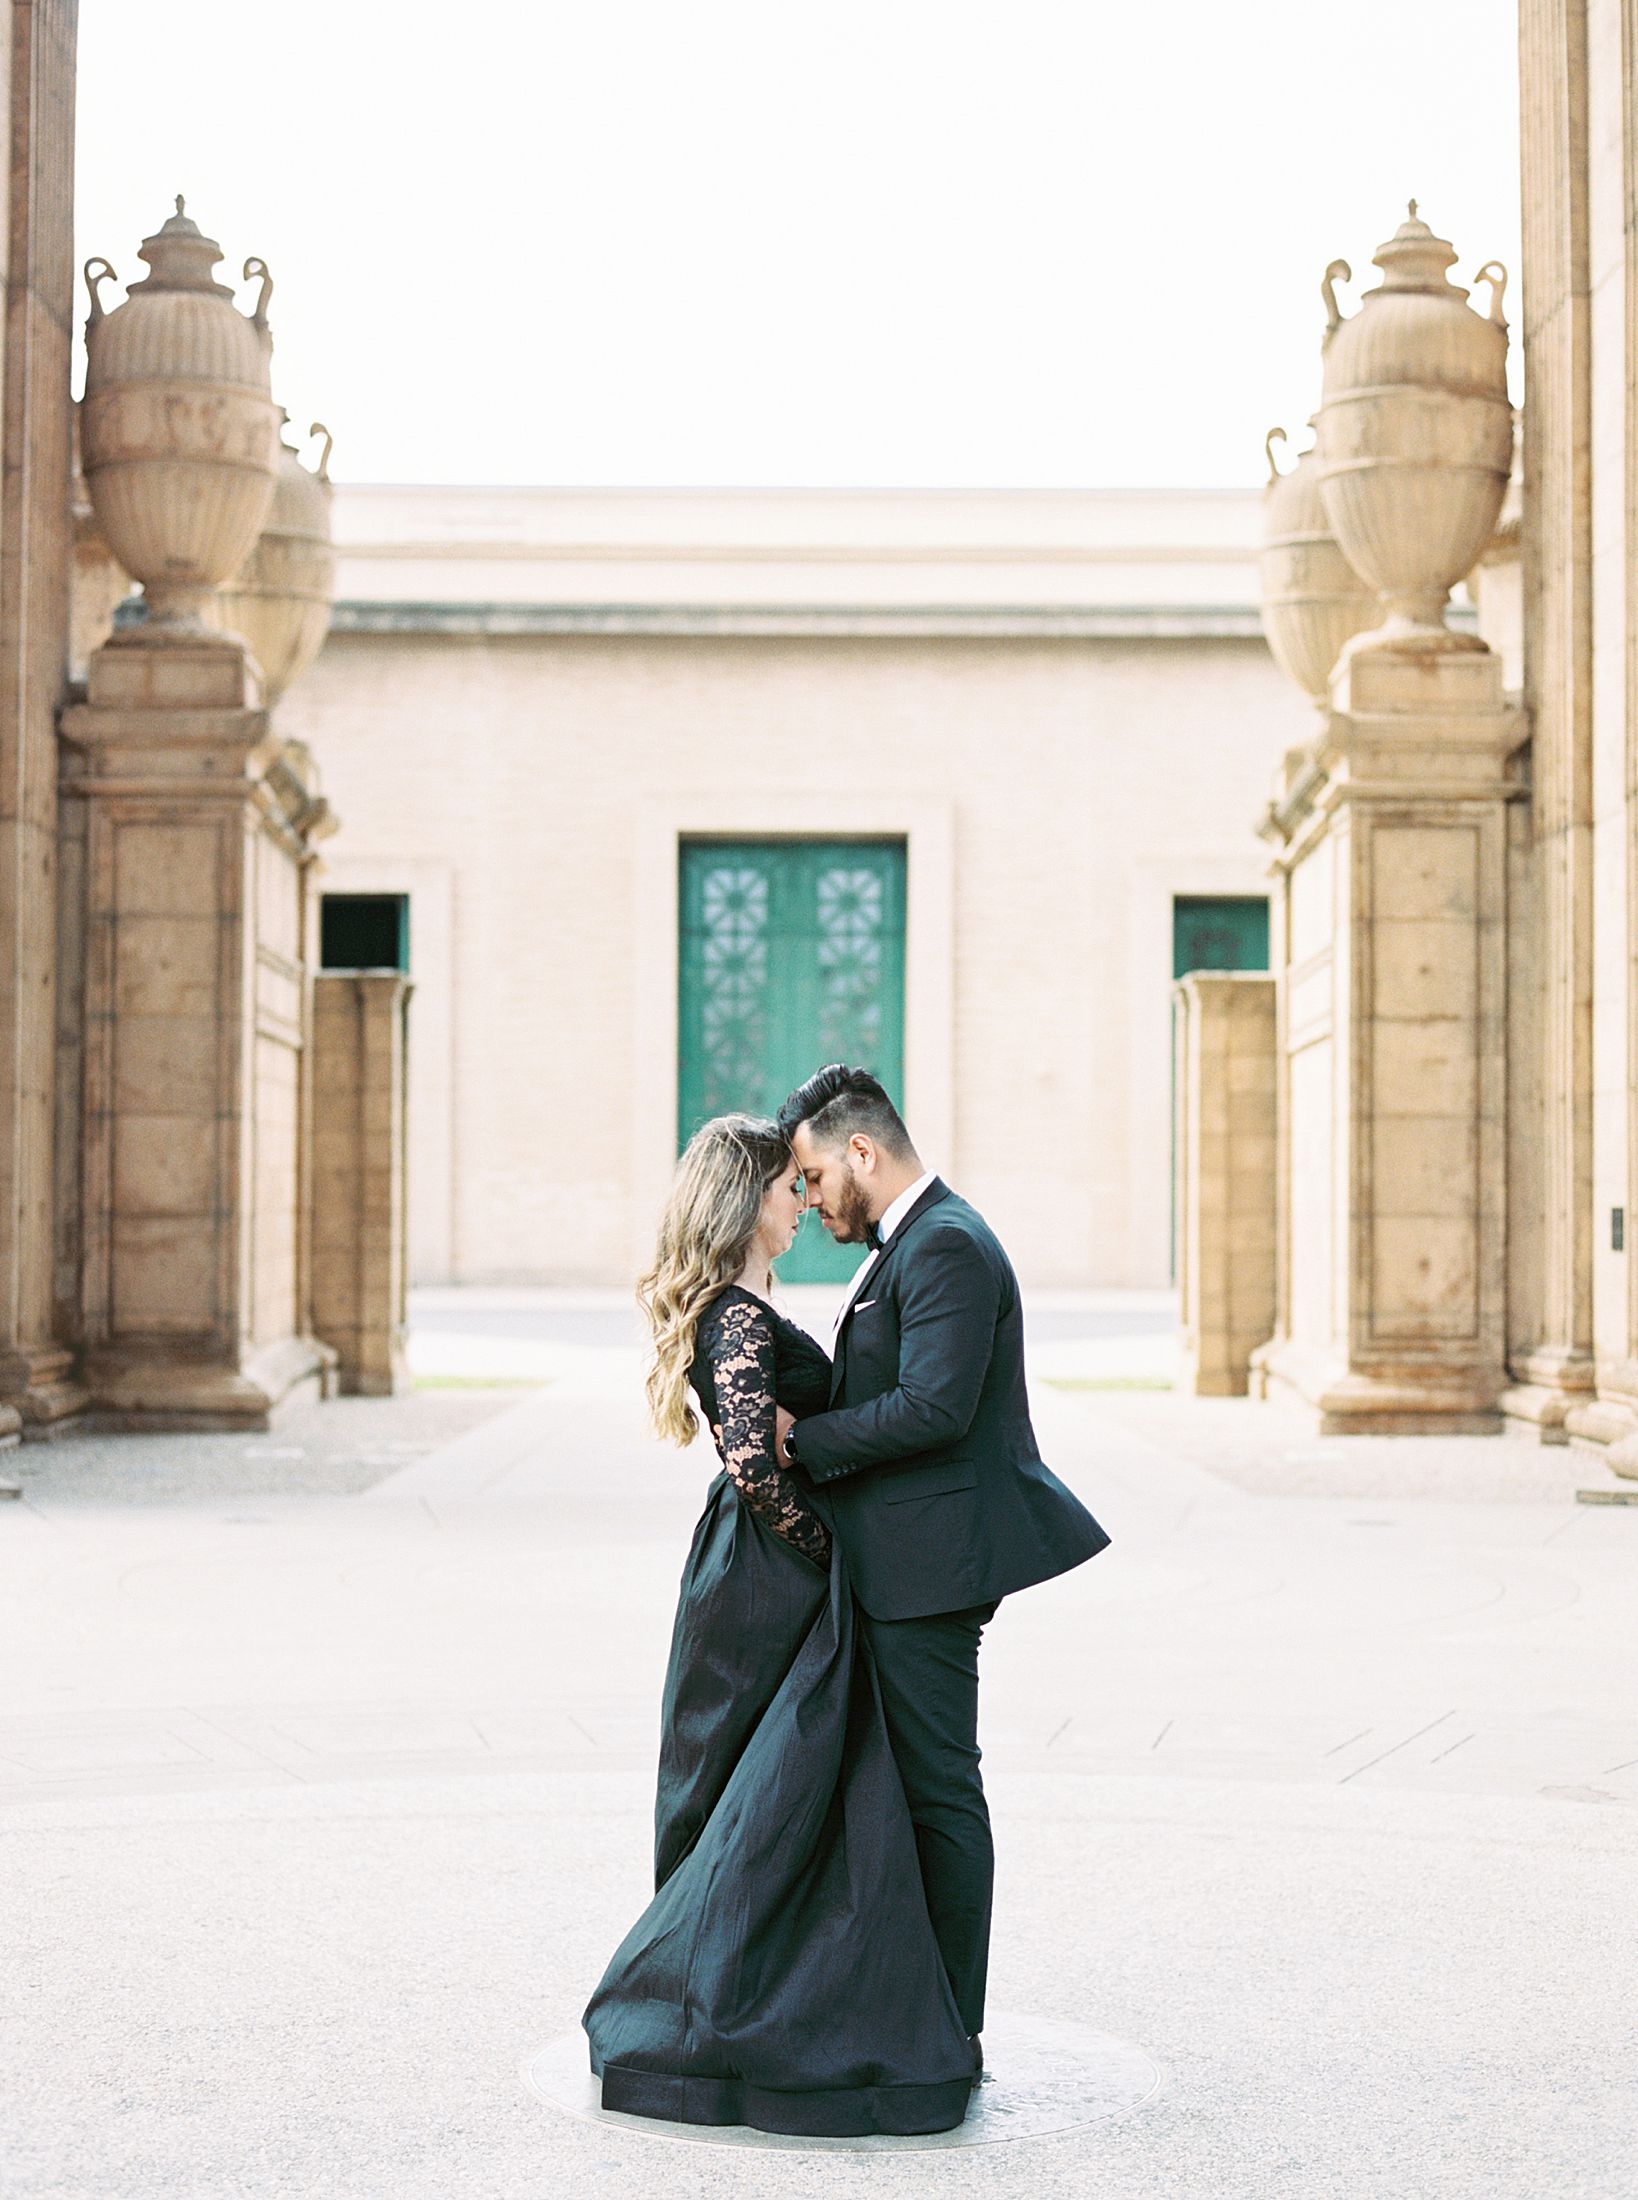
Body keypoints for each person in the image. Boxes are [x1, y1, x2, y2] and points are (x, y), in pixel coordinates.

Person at [582, 1113, 979, 2138]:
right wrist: (826, 1552)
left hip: (757, 1566)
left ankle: (771, 1988)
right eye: (786, 1187)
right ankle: (720, 2000)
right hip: (768, 1574)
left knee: (770, 1788)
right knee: (761, 1790)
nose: (803, 1201)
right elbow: (756, 1465)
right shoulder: (740, 1318)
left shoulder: (747, 1305)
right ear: (745, 1199)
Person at [774, 1064, 1111, 2059]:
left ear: (862, 1152)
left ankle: (954, 2027)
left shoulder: (949, 1242)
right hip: (903, 1561)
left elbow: (934, 1406)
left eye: (813, 1177)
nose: (811, 1200)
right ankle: (913, 2006)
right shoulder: (915, 1242)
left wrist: (801, 1442)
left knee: (938, 1791)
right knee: (913, 1789)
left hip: (930, 1572)